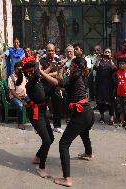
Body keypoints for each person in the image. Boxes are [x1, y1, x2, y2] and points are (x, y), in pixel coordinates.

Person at [39, 57, 94, 187]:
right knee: (84, 133)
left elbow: (57, 83)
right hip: (88, 113)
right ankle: (88, 153)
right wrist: (59, 70)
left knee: (63, 144)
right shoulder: (80, 76)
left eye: (71, 66)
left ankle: (67, 178)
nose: (70, 67)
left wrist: (41, 73)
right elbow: (62, 83)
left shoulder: (75, 76)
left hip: (81, 114)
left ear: (75, 66)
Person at [22, 60, 54, 178]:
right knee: (46, 140)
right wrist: (36, 61)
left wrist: (56, 70)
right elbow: (36, 74)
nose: (39, 71)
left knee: (51, 138)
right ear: (30, 73)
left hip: (42, 112)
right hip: (35, 114)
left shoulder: (38, 82)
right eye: (37, 69)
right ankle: (41, 168)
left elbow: (42, 77)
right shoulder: (30, 83)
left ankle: (37, 157)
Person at [40, 43, 64, 134]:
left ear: (55, 51)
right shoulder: (42, 61)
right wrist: (50, 67)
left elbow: (59, 74)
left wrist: (47, 74)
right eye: (49, 50)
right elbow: (40, 75)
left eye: (52, 50)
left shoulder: (58, 60)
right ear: (46, 51)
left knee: (57, 105)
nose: (50, 52)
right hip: (44, 86)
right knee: (42, 106)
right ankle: (43, 126)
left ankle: (57, 126)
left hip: (55, 86)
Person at [94, 48, 116, 125]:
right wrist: (99, 59)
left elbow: (115, 69)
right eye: (106, 51)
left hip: (110, 84)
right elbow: (95, 68)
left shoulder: (113, 61)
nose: (107, 53)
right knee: (100, 101)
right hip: (100, 84)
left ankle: (111, 117)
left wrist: (111, 61)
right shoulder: (100, 61)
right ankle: (102, 116)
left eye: (109, 52)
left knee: (111, 101)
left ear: (111, 53)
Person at [8, 62, 28, 130]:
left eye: (21, 69)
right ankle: (20, 123)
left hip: (24, 96)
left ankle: (35, 120)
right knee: (20, 105)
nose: (19, 71)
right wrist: (21, 100)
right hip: (14, 98)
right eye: (18, 69)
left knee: (35, 101)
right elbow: (13, 92)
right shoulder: (11, 78)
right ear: (14, 69)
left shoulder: (23, 75)